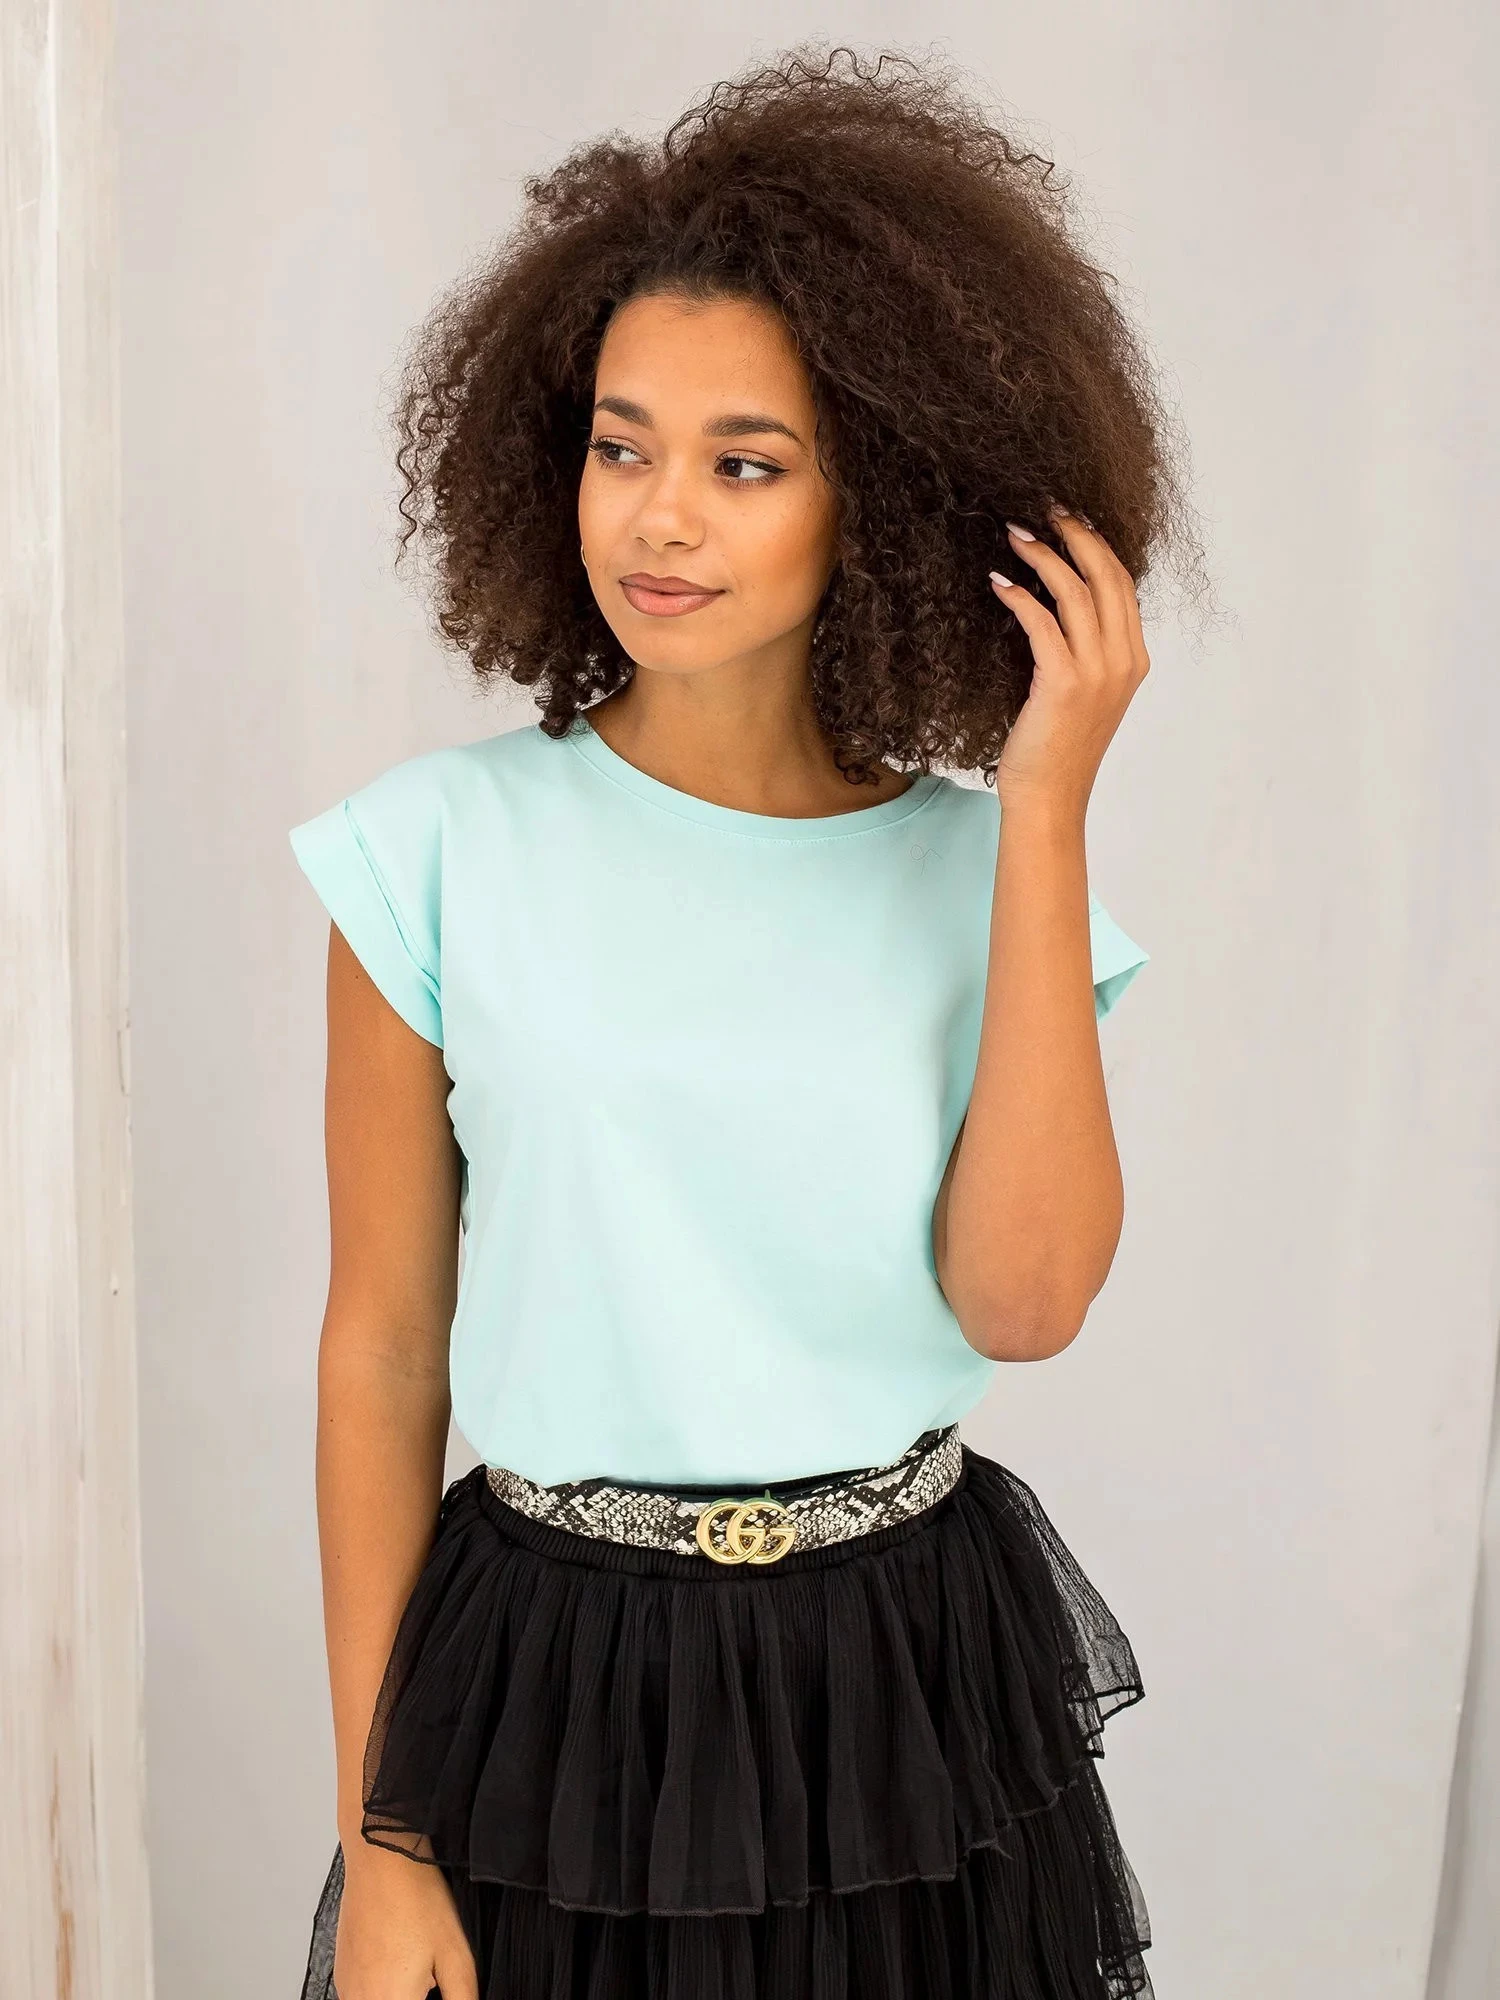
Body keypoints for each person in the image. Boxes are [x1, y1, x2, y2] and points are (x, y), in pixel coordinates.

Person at [290, 44, 1191, 2000]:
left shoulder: (988, 875)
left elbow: (1025, 1301)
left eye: (745, 462)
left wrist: (1047, 810)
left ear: (889, 488)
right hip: (547, 1687)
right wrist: (380, 1839)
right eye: (623, 447)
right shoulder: (428, 856)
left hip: (906, 1676)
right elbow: (382, 1353)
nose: (661, 519)